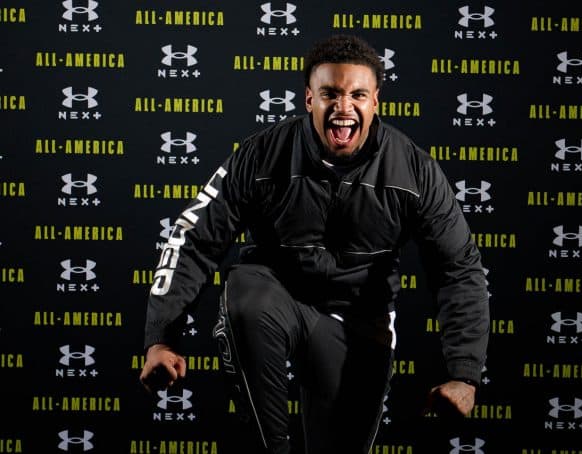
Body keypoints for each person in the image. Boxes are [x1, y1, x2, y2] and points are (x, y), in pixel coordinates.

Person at [140, 34, 489, 454]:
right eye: (331, 94)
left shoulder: (414, 170)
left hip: (359, 319)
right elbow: (194, 239)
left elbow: (459, 269)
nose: (344, 109)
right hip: (277, 297)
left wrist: (464, 374)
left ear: (376, 101)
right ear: (309, 100)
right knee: (248, 295)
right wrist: (161, 338)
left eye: (358, 94)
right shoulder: (262, 154)